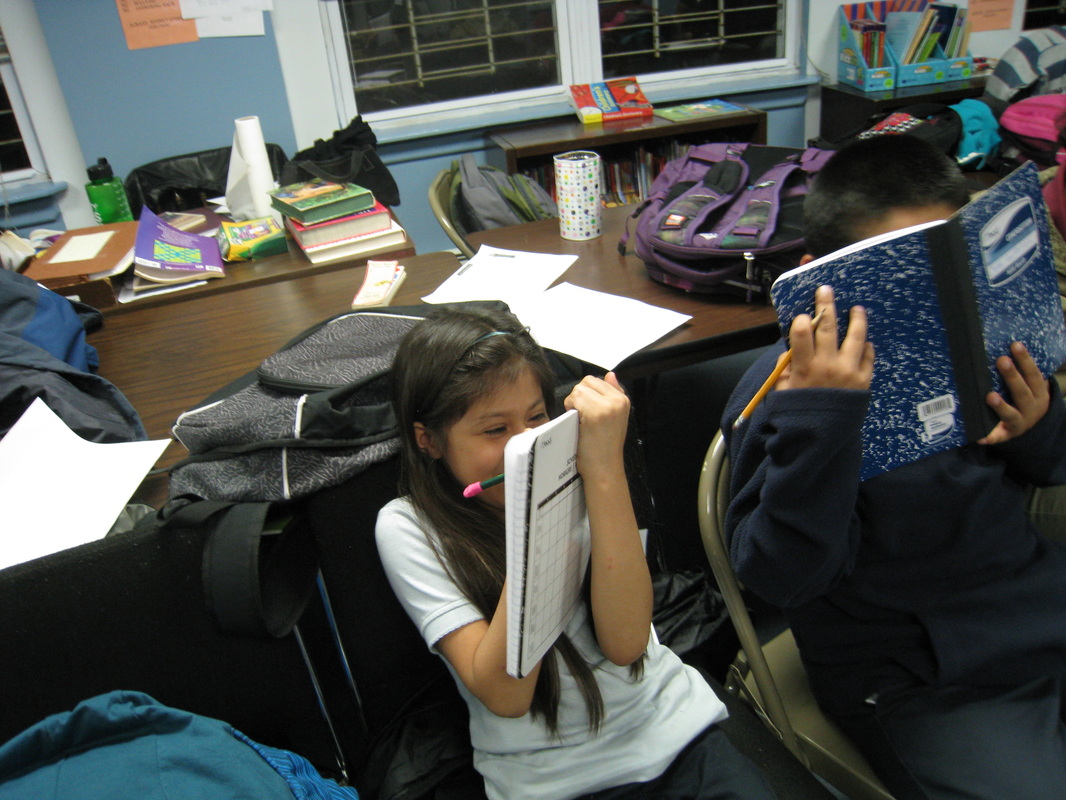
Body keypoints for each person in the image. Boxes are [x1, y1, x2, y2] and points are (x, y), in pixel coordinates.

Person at [721, 134, 1066, 800]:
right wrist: (822, 424)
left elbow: (1051, 465)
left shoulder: (974, 343)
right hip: (920, 676)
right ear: (819, 276)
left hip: (1033, 604)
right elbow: (781, 579)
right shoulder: (782, 398)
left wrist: (1038, 421)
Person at [375, 306, 777, 800]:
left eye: (537, 417)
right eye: (494, 430)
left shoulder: (581, 466)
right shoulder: (409, 526)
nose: (526, 443)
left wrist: (604, 469)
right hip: (553, 782)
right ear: (428, 440)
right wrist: (532, 514)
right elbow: (507, 694)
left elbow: (627, 643)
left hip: (676, 735)